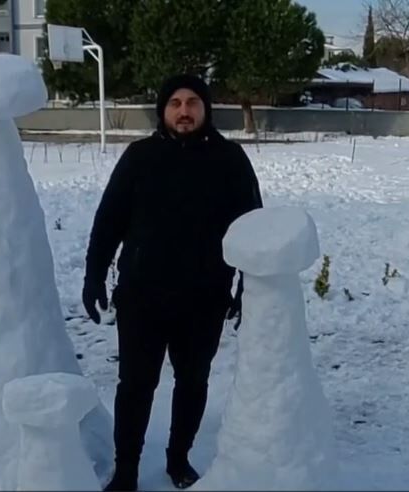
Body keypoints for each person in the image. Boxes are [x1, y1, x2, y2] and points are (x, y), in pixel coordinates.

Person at [82, 74, 264, 491]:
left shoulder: (230, 159)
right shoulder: (140, 157)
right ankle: (126, 470)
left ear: (206, 109)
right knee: (135, 385)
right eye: (175, 103)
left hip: (204, 297)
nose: (184, 111)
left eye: (193, 102)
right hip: (142, 295)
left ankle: (178, 460)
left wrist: (247, 287)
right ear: (163, 110)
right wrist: (94, 275)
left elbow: (252, 226)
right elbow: (108, 221)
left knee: (193, 382)